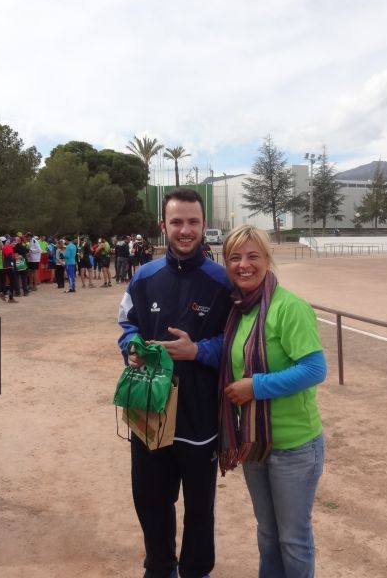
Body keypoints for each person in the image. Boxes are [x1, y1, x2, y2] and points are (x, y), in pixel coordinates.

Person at [117, 188, 232, 578]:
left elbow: (237, 342)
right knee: (150, 499)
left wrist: (197, 351)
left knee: (199, 507)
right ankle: (160, 567)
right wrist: (131, 347)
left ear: (204, 225)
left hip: (199, 414)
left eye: (193, 222)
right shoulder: (144, 278)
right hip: (149, 408)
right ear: (163, 225)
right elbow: (127, 325)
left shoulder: (222, 282)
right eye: (177, 222)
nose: (186, 230)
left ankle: (196, 570)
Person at [219, 224, 327, 578]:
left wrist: (256, 387)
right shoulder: (238, 310)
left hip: (295, 445)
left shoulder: (288, 307)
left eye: (253, 256)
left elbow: (314, 369)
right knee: (267, 534)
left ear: (267, 259)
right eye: (235, 257)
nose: (244, 265)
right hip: (255, 443)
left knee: (293, 539)